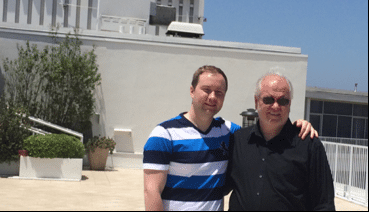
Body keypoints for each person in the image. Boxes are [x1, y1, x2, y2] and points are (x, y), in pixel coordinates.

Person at [143, 65, 316, 211]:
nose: (212, 97)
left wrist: (297, 126)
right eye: (206, 90)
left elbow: (263, 134)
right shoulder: (164, 135)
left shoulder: (229, 131)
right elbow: (151, 192)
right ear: (191, 91)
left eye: (219, 92)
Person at [226, 72, 335, 211]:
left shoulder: (309, 145)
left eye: (283, 101)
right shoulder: (238, 140)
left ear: (290, 104)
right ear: (256, 101)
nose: (276, 106)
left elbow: (324, 204)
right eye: (268, 100)